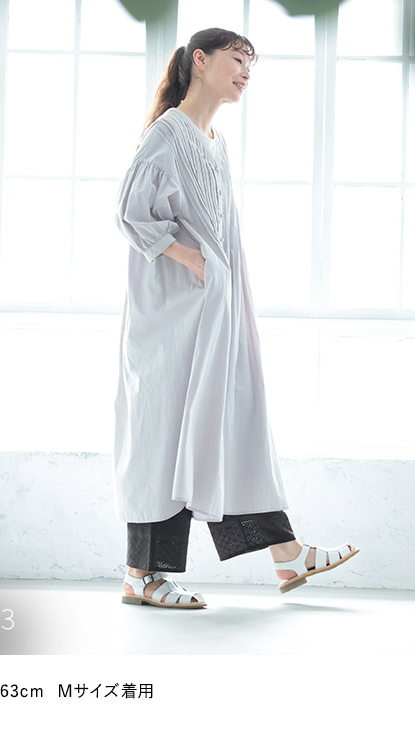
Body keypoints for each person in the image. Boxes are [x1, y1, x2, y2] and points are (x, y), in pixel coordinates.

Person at [112, 28, 359, 608]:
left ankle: (287, 553)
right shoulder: (167, 133)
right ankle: (142, 576)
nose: (247, 71)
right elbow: (130, 211)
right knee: (163, 437)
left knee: (231, 424)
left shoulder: (213, 141)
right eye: (238, 58)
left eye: (252, 63)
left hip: (216, 312)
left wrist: (222, 280)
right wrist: (191, 258)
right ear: (200, 61)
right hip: (171, 319)